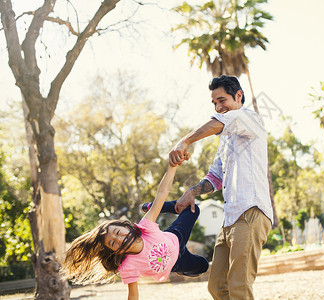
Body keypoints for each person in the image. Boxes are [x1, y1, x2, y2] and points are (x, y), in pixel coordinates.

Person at [169, 75, 273, 300]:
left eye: (222, 100)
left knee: (239, 287)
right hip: (230, 219)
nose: (218, 107)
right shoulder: (226, 140)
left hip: (251, 212)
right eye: (214, 103)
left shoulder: (249, 118)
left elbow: (218, 123)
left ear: (238, 96)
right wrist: (191, 192)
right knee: (217, 287)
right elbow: (215, 177)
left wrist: (184, 141)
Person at [62, 155, 209, 300]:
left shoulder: (145, 227)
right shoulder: (128, 266)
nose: (119, 239)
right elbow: (133, 295)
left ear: (126, 226)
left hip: (176, 236)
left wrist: (172, 167)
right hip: (177, 264)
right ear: (113, 251)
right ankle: (186, 268)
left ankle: (153, 207)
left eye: (118, 233)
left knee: (192, 208)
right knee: (203, 266)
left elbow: (162, 193)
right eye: (113, 243)